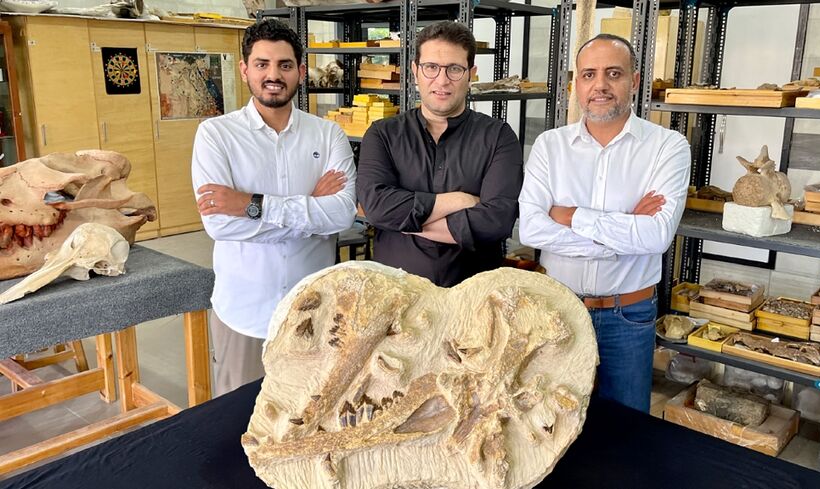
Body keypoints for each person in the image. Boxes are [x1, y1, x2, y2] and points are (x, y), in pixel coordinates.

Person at [518, 33, 690, 413]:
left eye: (613, 73)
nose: (600, 85)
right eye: (588, 74)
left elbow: (657, 235)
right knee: (550, 420)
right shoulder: (550, 145)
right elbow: (530, 228)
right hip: (557, 307)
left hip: (627, 315)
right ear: (575, 83)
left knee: (625, 428)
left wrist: (572, 216)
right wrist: (625, 227)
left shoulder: (668, 146)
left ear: (635, 81)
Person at [191, 19, 357, 396]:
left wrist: (252, 205)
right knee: (239, 421)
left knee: (308, 415)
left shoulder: (327, 133)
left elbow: (341, 214)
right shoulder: (216, 135)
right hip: (245, 313)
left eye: (284, 65)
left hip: (313, 313)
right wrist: (311, 209)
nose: (273, 75)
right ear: (244, 69)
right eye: (262, 64)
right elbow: (219, 226)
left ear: (300, 71)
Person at [357, 20, 523, 288]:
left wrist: (403, 222)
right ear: (415, 72)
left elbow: (497, 222)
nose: (442, 80)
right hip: (397, 299)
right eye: (431, 67)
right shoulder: (382, 134)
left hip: (475, 303)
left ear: (471, 74)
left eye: (455, 69)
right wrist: (460, 200)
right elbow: (377, 207)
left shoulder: (498, 136)